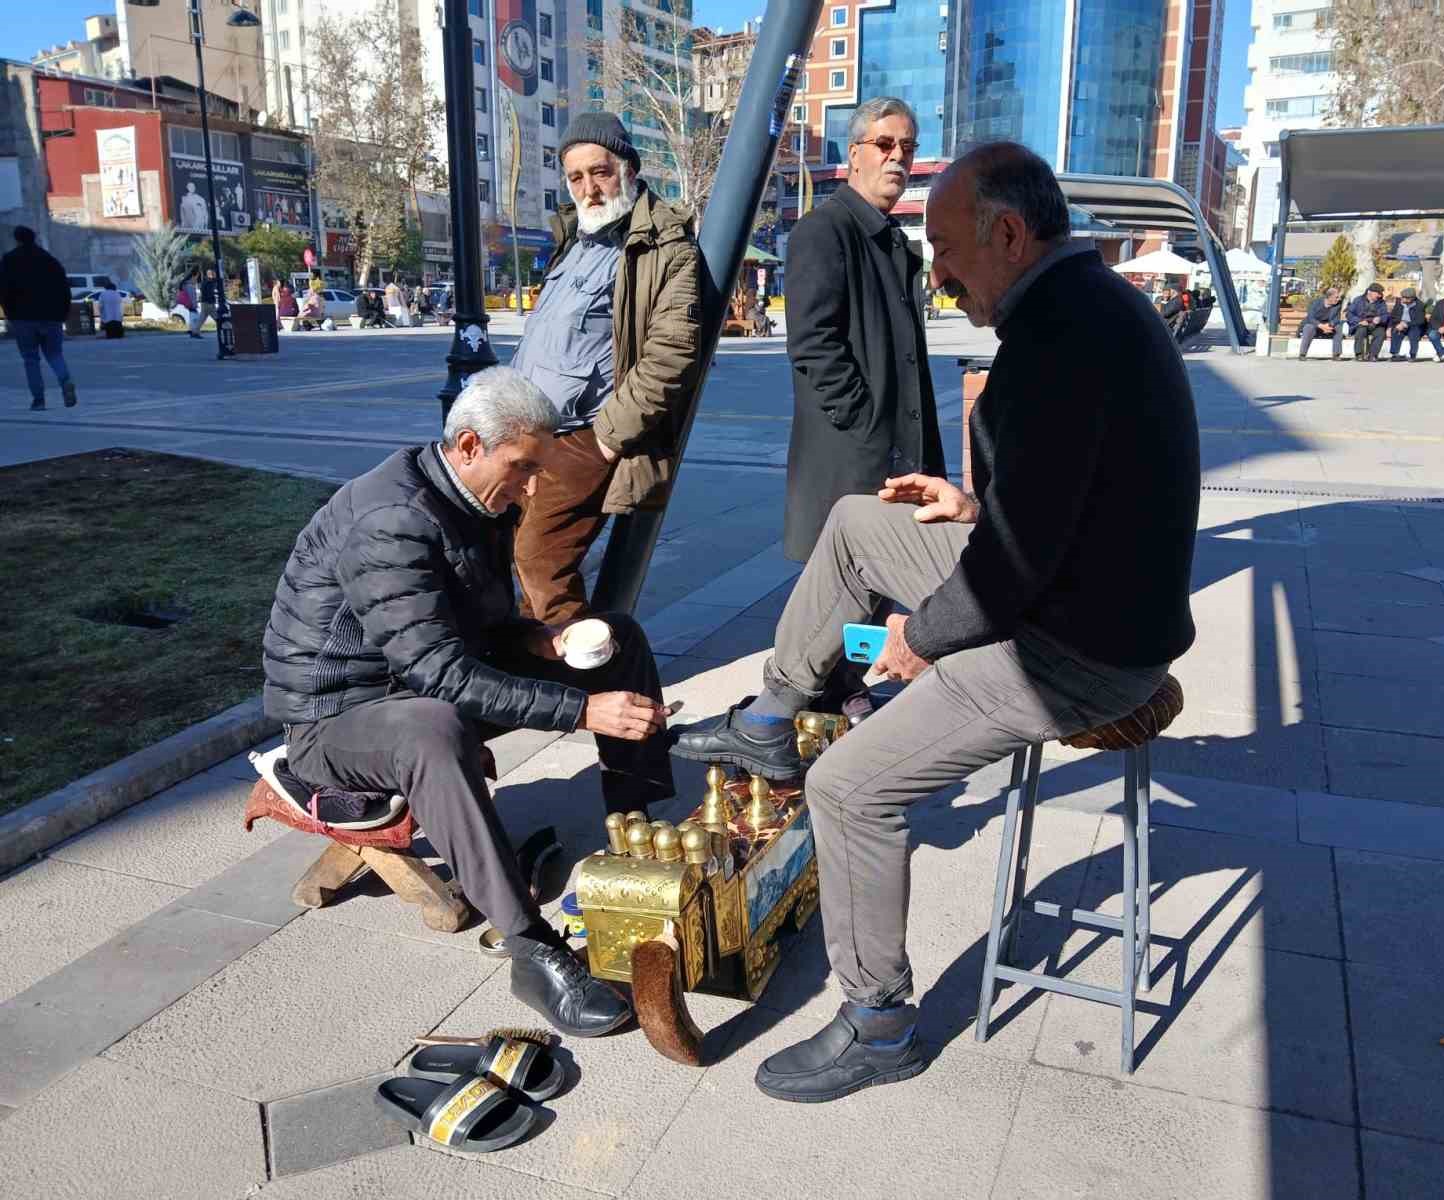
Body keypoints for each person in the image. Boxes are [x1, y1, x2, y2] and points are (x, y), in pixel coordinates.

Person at [671, 142, 1198, 1103]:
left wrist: (919, 639)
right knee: (860, 523)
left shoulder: (1060, 340)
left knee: (850, 788)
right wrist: (968, 504)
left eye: (946, 249)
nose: (937, 274)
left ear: (1009, 232)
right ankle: (771, 720)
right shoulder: (1081, 309)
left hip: (1075, 651)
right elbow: (1061, 504)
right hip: (1068, 593)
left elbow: (1008, 580)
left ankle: (879, 1022)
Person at [263, 367, 673, 1037]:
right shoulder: (391, 518)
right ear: (469, 447)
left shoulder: (477, 501)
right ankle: (531, 948)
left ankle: (636, 825)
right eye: (521, 467)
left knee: (612, 638)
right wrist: (579, 711)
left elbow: (465, 628)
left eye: (537, 468)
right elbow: (434, 670)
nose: (533, 486)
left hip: (415, 684)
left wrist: (537, 639)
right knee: (435, 727)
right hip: (335, 721)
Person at [782, 96, 946, 714]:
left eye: (907, 146)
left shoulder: (897, 245)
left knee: (873, 586)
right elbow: (813, 342)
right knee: (836, 586)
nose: (898, 157)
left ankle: (842, 692)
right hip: (852, 454)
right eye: (885, 144)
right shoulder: (825, 230)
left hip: (897, 452)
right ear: (854, 155)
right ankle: (806, 709)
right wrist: (863, 421)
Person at [507, 111, 704, 625]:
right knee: (513, 560)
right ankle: (535, 678)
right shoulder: (574, 240)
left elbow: (671, 355)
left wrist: (605, 440)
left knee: (539, 559)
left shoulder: (663, 246)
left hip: (582, 437)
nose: (589, 188)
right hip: (526, 432)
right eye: (576, 177)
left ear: (629, 170)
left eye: (601, 171)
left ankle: (586, 683)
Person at [0, 226, 77, 410]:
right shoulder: (50, 260)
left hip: (23, 319)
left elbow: (3, 290)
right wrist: (62, 314)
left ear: (17, 240)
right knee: (55, 354)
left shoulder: (9, 261)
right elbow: (65, 289)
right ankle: (65, 380)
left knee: (30, 359)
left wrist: (10, 314)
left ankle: (39, 400)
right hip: (51, 317)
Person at [1297, 286, 1344, 360]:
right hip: (1315, 326)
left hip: (1327, 327)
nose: (1339, 299)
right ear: (1329, 297)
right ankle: (1302, 354)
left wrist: (1329, 325)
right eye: (1336, 297)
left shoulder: (1338, 305)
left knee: (1338, 327)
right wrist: (1321, 326)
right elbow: (1310, 318)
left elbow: (1336, 319)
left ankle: (1336, 354)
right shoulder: (1316, 303)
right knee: (1308, 327)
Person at [1345, 283, 1389, 361]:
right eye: (1378, 293)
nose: (1379, 296)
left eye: (1380, 294)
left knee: (1381, 333)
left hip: (1375, 325)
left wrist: (1380, 319)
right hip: (1361, 324)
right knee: (1361, 330)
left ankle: (1373, 355)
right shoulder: (1358, 300)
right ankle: (1359, 354)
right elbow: (1349, 314)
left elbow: (1385, 315)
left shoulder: (1381, 302)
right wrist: (1359, 321)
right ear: (1369, 292)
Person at [1386, 287, 1426, 362]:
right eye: (1403, 297)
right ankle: (1395, 354)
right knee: (1396, 332)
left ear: (1412, 298)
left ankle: (1413, 355)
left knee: (1414, 334)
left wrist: (1406, 324)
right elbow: (1393, 316)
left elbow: (1420, 320)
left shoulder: (1419, 305)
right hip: (1400, 324)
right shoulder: (1399, 303)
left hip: (1414, 325)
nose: (1403, 300)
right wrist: (1392, 326)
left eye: (1406, 298)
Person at [199, 267, 221, 333]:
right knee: (216, 317)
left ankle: (195, 331)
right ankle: (225, 327)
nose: (215, 275)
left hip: (204, 302)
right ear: (210, 274)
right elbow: (209, 292)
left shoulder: (205, 281)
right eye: (213, 274)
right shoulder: (209, 282)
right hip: (209, 303)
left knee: (202, 318)